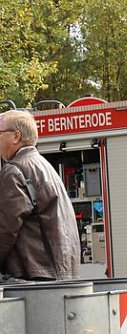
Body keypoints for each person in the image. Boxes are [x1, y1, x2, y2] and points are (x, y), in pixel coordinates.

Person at [0, 110, 81, 281]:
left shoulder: (14, 170)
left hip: (34, 279)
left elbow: (5, 229)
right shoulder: (44, 166)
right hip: (59, 273)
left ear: (16, 136)